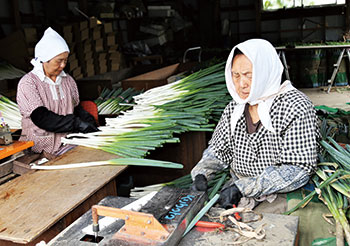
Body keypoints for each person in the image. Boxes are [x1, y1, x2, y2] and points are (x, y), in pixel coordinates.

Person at [191, 39, 320, 209]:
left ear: (265, 72)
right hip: (239, 189)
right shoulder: (235, 108)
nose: (241, 84)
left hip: (282, 194)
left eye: (248, 75)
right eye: (235, 76)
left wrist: (244, 187)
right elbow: (218, 151)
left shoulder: (294, 106)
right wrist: (201, 173)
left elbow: (298, 169)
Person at [17, 27, 99, 156]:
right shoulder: (29, 83)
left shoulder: (68, 81)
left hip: (66, 143)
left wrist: (90, 123)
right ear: (45, 59)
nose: (63, 65)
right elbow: (42, 118)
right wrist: (76, 123)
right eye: (59, 61)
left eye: (65, 60)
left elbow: (76, 108)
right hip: (39, 148)